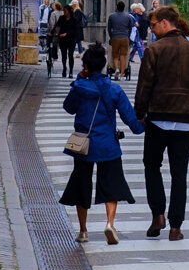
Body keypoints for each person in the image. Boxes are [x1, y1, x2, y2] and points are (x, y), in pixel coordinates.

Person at [133, 4, 189, 241]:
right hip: (186, 120)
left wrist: (140, 113)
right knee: (180, 174)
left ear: (166, 23)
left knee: (151, 165)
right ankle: (175, 227)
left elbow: (144, 86)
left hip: (158, 118)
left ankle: (158, 214)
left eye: (154, 24)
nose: (152, 28)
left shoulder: (154, 50)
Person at [59, 43, 143, 244]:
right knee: (111, 184)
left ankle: (83, 231)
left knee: (82, 185)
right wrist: (141, 127)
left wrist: (79, 80)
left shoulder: (79, 87)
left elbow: (68, 108)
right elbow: (129, 118)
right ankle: (109, 223)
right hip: (107, 144)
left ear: (86, 66)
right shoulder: (114, 89)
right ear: (104, 65)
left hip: (83, 145)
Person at [106, 0, 136, 78]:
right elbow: (130, 28)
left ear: (117, 7)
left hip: (115, 37)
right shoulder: (128, 17)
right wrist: (128, 36)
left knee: (115, 55)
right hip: (124, 37)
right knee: (123, 55)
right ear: (124, 7)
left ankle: (116, 69)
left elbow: (109, 28)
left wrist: (111, 36)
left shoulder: (111, 16)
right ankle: (122, 73)